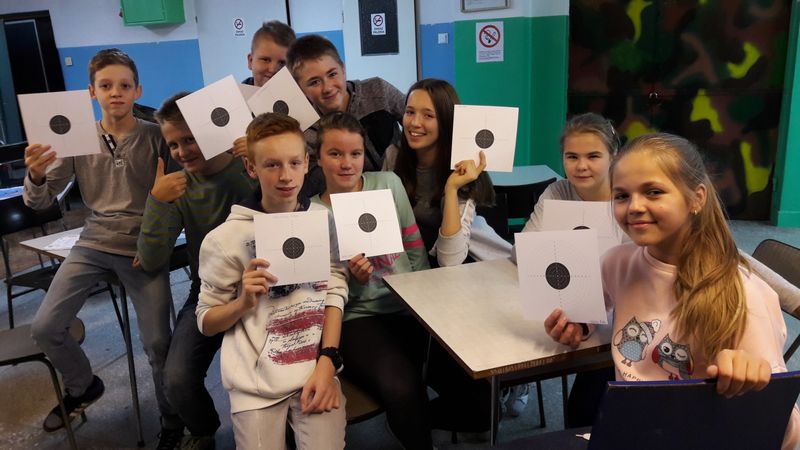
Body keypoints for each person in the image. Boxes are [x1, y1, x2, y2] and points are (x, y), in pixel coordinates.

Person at [544, 132, 800, 449]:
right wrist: (578, 325)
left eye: (653, 192)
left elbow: (787, 435)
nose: (634, 207)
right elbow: (591, 309)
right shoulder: (616, 262)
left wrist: (755, 386)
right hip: (631, 429)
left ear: (697, 198)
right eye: (621, 196)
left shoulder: (744, 298)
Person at [22, 48, 180, 446]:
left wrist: (157, 239)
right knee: (44, 327)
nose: (116, 93)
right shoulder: (77, 140)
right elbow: (43, 201)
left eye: (124, 85)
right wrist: (36, 176)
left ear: (137, 90)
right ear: (92, 92)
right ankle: (83, 385)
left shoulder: (156, 137)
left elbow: (178, 195)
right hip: (92, 244)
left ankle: (172, 420)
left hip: (143, 244)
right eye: (106, 86)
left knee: (158, 342)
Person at [196, 113, 347, 450]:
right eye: (272, 165)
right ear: (251, 168)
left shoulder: (322, 221)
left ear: (307, 163)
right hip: (254, 385)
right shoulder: (225, 239)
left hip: (315, 369)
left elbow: (335, 288)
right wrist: (243, 303)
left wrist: (328, 360)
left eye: (294, 163)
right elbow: (206, 321)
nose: (285, 176)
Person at [137, 91, 256, 449]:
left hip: (261, 286)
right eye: (173, 144)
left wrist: (259, 159)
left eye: (189, 139)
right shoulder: (178, 186)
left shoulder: (247, 170)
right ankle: (203, 429)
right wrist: (157, 201)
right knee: (176, 379)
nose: (182, 151)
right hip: (208, 290)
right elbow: (152, 259)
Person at [309, 111, 433, 449]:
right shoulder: (313, 215)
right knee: (402, 388)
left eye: (355, 153)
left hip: (410, 305)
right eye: (335, 153)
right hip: (358, 318)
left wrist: (426, 301)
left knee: (471, 383)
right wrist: (354, 279)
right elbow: (322, 296)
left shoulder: (388, 184)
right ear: (318, 159)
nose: (347, 163)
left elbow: (414, 245)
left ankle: (410, 419)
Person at [509, 112, 622, 421]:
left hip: (618, 321)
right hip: (567, 305)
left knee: (587, 412)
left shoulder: (627, 200)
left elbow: (628, 275)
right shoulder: (558, 191)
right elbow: (524, 252)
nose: (581, 165)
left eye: (593, 156)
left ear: (613, 156)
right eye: (572, 156)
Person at [386, 78, 506, 268]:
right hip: (417, 264)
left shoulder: (462, 168)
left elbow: (450, 260)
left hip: (469, 266)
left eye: (428, 115)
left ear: (446, 120)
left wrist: (451, 189)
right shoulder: (393, 157)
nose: (415, 122)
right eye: (410, 112)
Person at [287, 34, 406, 196]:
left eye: (332, 74)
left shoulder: (378, 90)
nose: (328, 88)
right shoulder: (303, 129)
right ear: (299, 89)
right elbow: (314, 183)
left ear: (343, 70)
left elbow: (414, 119)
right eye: (314, 82)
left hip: (401, 189)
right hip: (343, 202)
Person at [233, 20, 296, 160]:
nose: (273, 69)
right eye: (265, 60)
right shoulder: (231, 102)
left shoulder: (301, 105)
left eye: (282, 63)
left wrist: (260, 149)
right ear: (250, 61)